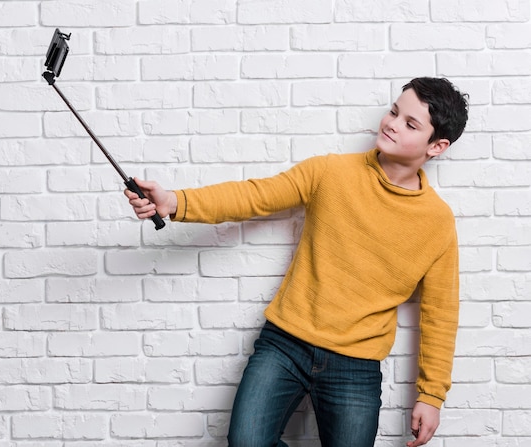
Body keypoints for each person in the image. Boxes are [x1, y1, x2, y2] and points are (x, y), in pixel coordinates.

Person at [125, 77, 469, 447]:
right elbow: (255, 195)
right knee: (246, 442)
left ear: (437, 146)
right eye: (394, 111)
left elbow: (440, 313)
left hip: (356, 365)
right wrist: (175, 202)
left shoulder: (437, 221)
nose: (392, 123)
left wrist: (431, 396)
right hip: (285, 343)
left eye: (410, 124)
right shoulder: (330, 172)